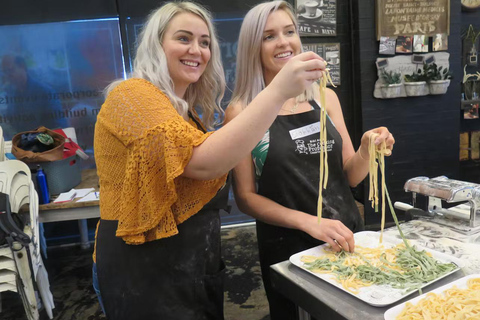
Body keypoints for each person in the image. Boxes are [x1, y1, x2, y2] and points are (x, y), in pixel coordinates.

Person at [93, 1, 326, 319]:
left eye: (205, 43)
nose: (197, 50)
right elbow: (203, 163)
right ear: (156, 44)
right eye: (184, 38)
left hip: (193, 269)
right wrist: (278, 93)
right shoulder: (132, 96)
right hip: (143, 271)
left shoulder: (185, 116)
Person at [225, 2, 395, 319]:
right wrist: (309, 222)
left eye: (289, 32)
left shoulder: (324, 96)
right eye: (269, 36)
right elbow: (246, 197)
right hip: (287, 246)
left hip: (344, 238)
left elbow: (350, 175)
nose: (284, 42)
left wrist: (366, 150)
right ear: (253, 47)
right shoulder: (242, 110)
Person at [0, 55, 67, 135]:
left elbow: (59, 127)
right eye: (4, 72)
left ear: (22, 66)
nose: (8, 76)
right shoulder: (10, 94)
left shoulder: (45, 92)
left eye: (10, 71)